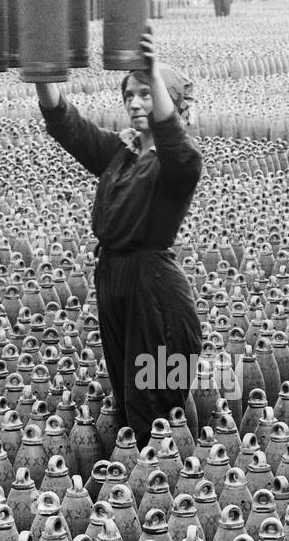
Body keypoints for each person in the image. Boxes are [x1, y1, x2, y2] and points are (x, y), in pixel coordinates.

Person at [34, 25, 203, 448]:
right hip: (114, 281)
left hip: (156, 294)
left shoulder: (180, 163)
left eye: (147, 93)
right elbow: (67, 125)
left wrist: (151, 69)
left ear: (172, 103)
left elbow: (174, 143)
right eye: (129, 95)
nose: (136, 103)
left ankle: (167, 489)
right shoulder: (119, 154)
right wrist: (41, 69)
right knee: (129, 400)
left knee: (156, 405)